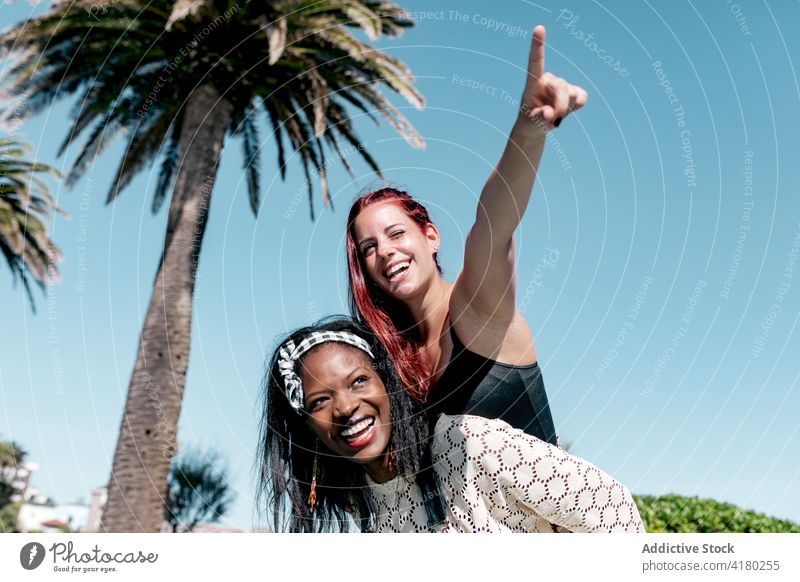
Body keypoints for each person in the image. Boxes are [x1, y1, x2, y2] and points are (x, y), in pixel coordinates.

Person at [345, 25, 587, 444]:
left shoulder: (476, 309)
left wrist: (530, 127)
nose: (385, 251)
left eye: (396, 233)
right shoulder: (392, 363)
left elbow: (493, 226)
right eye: (369, 248)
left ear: (431, 237)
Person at [257, 318, 644, 533]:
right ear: (308, 427)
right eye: (320, 402)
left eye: (359, 381)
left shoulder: (467, 444)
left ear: (386, 385)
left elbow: (615, 512)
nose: (344, 407)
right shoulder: (365, 505)